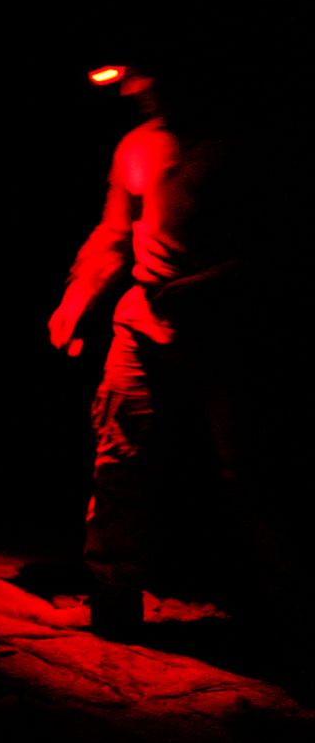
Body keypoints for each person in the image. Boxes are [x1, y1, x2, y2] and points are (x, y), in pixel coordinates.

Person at [47, 61, 273, 639]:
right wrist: (77, 298)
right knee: (120, 458)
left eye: (149, 78)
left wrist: (211, 287)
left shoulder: (244, 146)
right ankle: (113, 607)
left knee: (253, 473)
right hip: (144, 320)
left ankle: (285, 617)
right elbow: (116, 233)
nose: (134, 91)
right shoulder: (137, 146)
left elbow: (278, 248)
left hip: (230, 326)